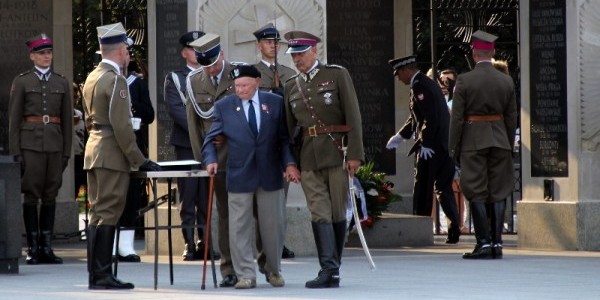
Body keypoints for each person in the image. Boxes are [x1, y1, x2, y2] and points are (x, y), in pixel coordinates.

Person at [202, 64, 301, 289]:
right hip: (239, 174)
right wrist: (211, 160)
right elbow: (210, 139)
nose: (240, 90)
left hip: (270, 173)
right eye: (236, 86)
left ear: (257, 82)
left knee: (273, 227)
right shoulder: (224, 106)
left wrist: (290, 164)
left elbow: (284, 139)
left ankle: (273, 270)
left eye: (245, 85)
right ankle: (245, 275)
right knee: (239, 228)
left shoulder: (275, 103)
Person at [283, 30, 364, 289]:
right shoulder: (291, 86)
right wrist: (290, 163)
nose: (297, 60)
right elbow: (287, 131)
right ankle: (328, 268)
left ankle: (334, 267)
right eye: (294, 55)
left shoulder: (337, 75)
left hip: (337, 153)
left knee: (338, 211)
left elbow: (353, 116)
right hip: (308, 157)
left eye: (301, 54)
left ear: (315, 51)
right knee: (319, 211)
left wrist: (354, 154)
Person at [82, 22, 161, 289]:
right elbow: (122, 125)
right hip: (111, 153)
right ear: (121, 51)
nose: (129, 55)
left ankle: (97, 273)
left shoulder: (93, 76)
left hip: (95, 149)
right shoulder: (115, 80)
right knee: (109, 212)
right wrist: (139, 159)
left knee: (98, 213)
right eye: (127, 50)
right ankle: (102, 275)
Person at [449, 30, 517, 259]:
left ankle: (484, 243)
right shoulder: (506, 80)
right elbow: (511, 117)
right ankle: (498, 244)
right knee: (498, 191)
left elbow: (457, 119)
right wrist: (507, 141)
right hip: (500, 140)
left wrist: (453, 148)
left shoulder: (465, 80)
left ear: (473, 53)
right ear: (493, 52)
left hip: (473, 141)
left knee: (476, 190)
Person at [8, 33, 73, 265]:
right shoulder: (23, 81)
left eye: (49, 53)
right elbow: (14, 119)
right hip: (30, 145)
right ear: (32, 56)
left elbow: (66, 120)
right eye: (42, 53)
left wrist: (67, 151)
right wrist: (16, 151)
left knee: (50, 194)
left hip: (54, 145)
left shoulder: (61, 82)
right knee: (32, 195)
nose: (47, 57)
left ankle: (47, 246)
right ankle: (33, 247)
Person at [385, 55, 461, 244]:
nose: (397, 78)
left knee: (423, 188)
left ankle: (419, 230)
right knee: (443, 188)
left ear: (406, 70)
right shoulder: (425, 83)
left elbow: (430, 117)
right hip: (442, 145)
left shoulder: (419, 85)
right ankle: (454, 229)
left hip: (432, 148)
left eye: (398, 74)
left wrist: (425, 142)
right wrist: (401, 136)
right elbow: (416, 118)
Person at [186, 33, 238, 287]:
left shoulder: (239, 75)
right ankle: (229, 268)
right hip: (216, 159)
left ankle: (254, 263)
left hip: (241, 156)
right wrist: (203, 159)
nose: (211, 70)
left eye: (214, 64)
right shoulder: (194, 81)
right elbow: (195, 126)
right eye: (205, 65)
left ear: (222, 56)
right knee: (226, 215)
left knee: (249, 214)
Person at [164, 30, 216, 261]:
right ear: (185, 52)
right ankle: (189, 243)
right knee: (188, 194)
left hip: (212, 144)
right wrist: (202, 134)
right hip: (187, 143)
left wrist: (212, 135)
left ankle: (205, 241)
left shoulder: (212, 75)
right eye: (194, 48)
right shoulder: (175, 78)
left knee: (207, 195)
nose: (198, 52)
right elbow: (177, 110)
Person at [252, 23, 297, 263]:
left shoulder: (289, 74)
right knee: (261, 200)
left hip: (283, 141)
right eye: (268, 42)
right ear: (259, 45)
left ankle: (279, 243)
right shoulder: (254, 73)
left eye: (275, 42)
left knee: (281, 197)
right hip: (261, 143)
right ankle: (263, 244)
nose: (273, 46)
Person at [114, 41, 156, 263]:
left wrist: (133, 108)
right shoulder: (107, 81)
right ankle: (110, 244)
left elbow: (150, 114)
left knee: (131, 196)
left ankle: (126, 245)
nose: (126, 57)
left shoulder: (136, 84)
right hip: (113, 148)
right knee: (112, 196)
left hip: (134, 145)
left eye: (128, 54)